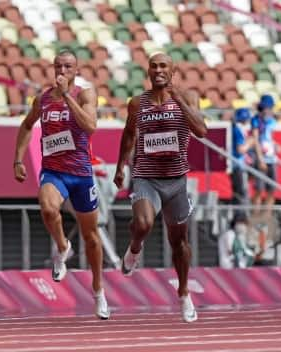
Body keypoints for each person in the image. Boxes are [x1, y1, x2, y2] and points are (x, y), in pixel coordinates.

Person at [13, 50, 109, 319]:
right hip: (54, 172)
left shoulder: (85, 95)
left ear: (76, 70)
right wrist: (17, 160)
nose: (62, 70)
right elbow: (26, 125)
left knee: (91, 237)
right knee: (47, 207)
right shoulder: (42, 99)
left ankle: (99, 290)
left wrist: (67, 96)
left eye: (68, 66)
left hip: (81, 175)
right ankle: (63, 246)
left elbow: (90, 127)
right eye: (58, 66)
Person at [113, 53, 207, 323]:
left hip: (176, 181)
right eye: (153, 66)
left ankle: (184, 292)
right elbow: (129, 134)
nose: (158, 70)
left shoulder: (187, 97)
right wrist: (121, 166)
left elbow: (201, 130)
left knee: (179, 242)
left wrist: (178, 100)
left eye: (163, 66)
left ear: (172, 70)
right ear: (148, 72)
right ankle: (135, 247)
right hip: (146, 176)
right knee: (143, 223)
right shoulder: (137, 103)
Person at [251, 94, 281, 216]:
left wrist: (276, 145)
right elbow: (256, 139)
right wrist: (260, 159)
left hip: (271, 158)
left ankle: (267, 214)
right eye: (268, 108)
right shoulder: (256, 120)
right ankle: (255, 213)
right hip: (261, 158)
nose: (270, 110)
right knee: (259, 188)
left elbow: (269, 138)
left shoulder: (271, 121)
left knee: (272, 188)